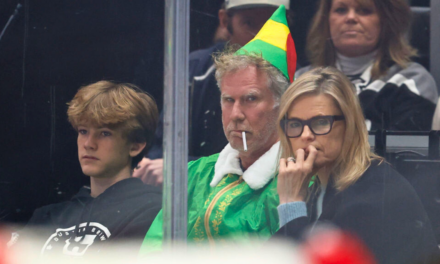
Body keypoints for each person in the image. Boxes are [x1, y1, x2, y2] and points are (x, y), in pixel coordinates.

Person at [139, 5, 296, 254]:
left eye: (251, 99)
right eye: (228, 100)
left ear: (283, 104)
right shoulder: (193, 174)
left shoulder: (297, 180)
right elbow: (152, 252)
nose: (235, 115)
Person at [274, 67, 439, 264]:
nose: (305, 135)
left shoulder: (375, 195)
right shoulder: (317, 188)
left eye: (320, 122)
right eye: (294, 124)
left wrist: (291, 205)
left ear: (349, 125)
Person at [133, 0, 290, 186]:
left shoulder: (298, 82)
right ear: (224, 21)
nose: (260, 36)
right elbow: (160, 148)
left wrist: (182, 168)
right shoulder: (194, 71)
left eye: (269, 25)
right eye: (249, 23)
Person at [10, 81, 162, 257]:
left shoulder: (154, 210)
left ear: (135, 146)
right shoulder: (48, 216)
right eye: (83, 131)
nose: (88, 144)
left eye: (105, 133)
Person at [295, 0, 437, 131]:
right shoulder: (300, 79)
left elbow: (406, 153)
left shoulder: (412, 81)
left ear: (386, 20)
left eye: (364, 10)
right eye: (341, 10)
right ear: (326, 20)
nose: (350, 17)